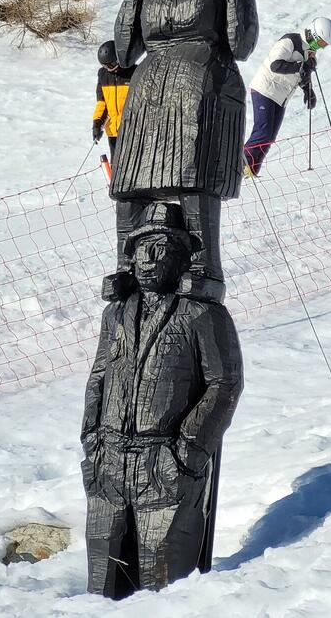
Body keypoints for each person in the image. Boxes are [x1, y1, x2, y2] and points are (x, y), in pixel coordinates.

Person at [81, 201, 243, 599]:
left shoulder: (200, 314)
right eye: (142, 249)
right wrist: (91, 438)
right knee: (101, 581)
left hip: (164, 462)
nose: (149, 260)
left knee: (166, 587)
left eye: (162, 249)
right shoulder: (115, 314)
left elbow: (224, 384)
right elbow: (99, 375)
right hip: (109, 460)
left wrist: (187, 451)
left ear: (181, 259)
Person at [110, 0, 258, 291]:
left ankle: (205, 268)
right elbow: (124, 50)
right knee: (128, 186)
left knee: (195, 181)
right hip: (149, 88)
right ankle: (126, 265)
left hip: (198, 85)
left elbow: (241, 42)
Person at [243, 17, 331, 176]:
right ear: (314, 35)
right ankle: (239, 167)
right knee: (263, 132)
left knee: (270, 137)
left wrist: (309, 91)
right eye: (322, 43)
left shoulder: (309, 52)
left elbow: (302, 75)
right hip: (265, 89)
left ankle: (250, 171)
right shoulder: (290, 41)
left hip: (281, 96)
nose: (322, 47)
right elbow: (275, 65)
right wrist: (300, 66)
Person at [92, 40, 134, 159]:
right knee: (116, 164)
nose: (109, 69)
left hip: (130, 130)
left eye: (111, 65)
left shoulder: (133, 72)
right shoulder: (103, 75)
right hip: (113, 130)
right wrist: (97, 124)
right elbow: (102, 103)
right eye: (105, 66)